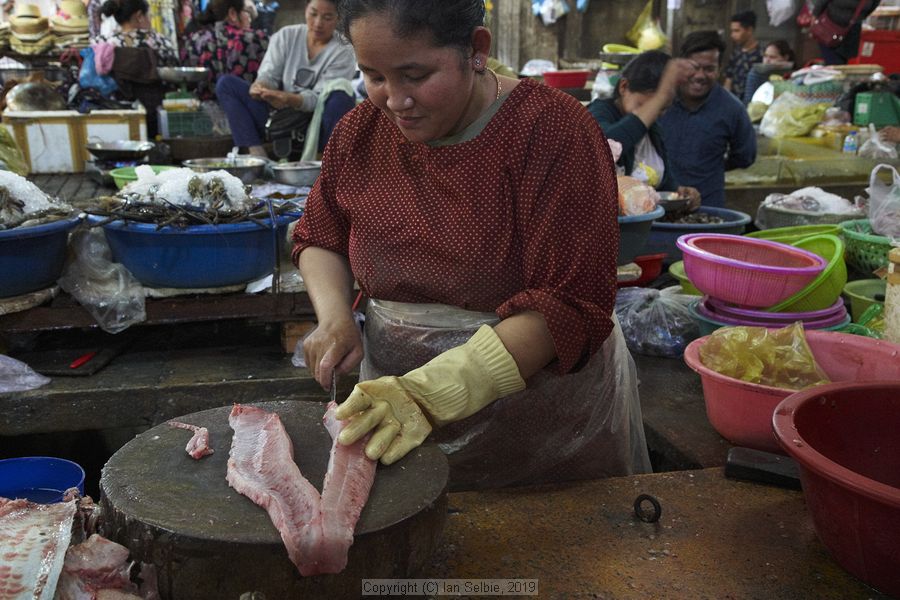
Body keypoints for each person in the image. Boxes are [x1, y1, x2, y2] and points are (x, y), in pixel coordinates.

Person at [292, 0, 650, 490]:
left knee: (541, 556)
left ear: (476, 50)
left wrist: (431, 392)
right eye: (373, 76)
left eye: (414, 75)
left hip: (543, 425)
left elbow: (569, 304)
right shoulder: (359, 133)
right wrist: (334, 318)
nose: (395, 100)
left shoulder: (553, 132)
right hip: (395, 413)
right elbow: (320, 233)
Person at [215, 0, 356, 157]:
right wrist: (261, 86)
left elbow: (318, 100)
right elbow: (269, 75)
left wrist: (288, 98)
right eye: (313, 14)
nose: (318, 23)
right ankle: (255, 153)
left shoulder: (344, 50)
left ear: (338, 18)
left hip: (315, 123)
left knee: (342, 94)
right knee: (226, 84)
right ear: (306, 10)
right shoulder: (286, 35)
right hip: (279, 119)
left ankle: (328, 159)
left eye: (327, 17)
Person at [587, 50, 701, 209]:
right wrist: (660, 97)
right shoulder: (597, 114)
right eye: (646, 107)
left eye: (661, 109)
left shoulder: (653, 130)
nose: (652, 116)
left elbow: (662, 182)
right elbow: (606, 146)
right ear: (624, 87)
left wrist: (679, 191)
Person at [658, 31, 756, 208]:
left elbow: (745, 156)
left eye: (709, 69)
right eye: (694, 67)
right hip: (658, 204)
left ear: (719, 69)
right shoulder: (659, 100)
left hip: (708, 207)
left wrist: (709, 166)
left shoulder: (732, 109)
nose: (700, 76)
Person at [181, 0, 268, 97]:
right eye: (247, 12)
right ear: (233, 13)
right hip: (245, 110)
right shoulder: (256, 39)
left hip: (203, 109)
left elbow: (186, 81)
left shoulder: (193, 41)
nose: (249, 19)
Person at [93, 0, 177, 64]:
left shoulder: (103, 43)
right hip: (156, 86)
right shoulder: (159, 42)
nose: (150, 19)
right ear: (139, 16)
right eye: (148, 15)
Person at [812, 0, 881, 65]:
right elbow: (872, 6)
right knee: (838, 66)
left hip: (837, 27)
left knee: (836, 66)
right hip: (835, 27)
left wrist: (815, 15)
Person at [723, 10, 762, 100]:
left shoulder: (761, 55)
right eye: (732, 31)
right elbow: (728, 80)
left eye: (736, 31)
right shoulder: (735, 53)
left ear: (749, 30)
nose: (732, 35)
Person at [742, 39, 795, 105]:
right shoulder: (756, 73)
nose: (767, 61)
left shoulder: (795, 75)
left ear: (786, 57)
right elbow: (748, 101)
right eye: (765, 56)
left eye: (772, 57)